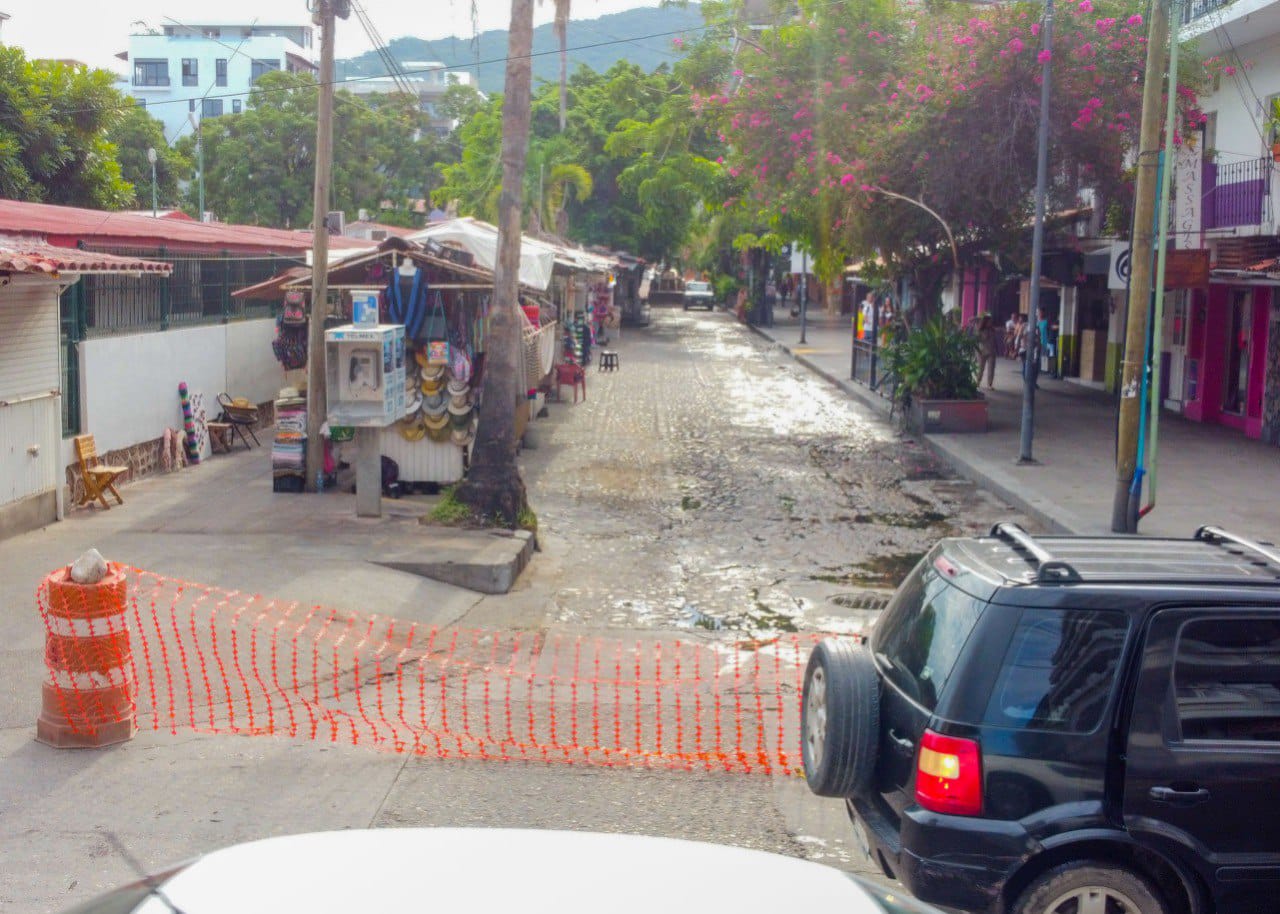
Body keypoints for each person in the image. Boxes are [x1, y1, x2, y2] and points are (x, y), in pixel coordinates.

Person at [976, 313, 999, 390]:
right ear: (985, 322)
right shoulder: (979, 330)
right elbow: (977, 340)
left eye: (991, 321)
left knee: (991, 368)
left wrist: (997, 349)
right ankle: (978, 382)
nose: (991, 323)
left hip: (992, 352)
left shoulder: (993, 330)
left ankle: (990, 384)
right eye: (989, 321)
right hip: (981, 352)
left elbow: (995, 340)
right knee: (980, 368)